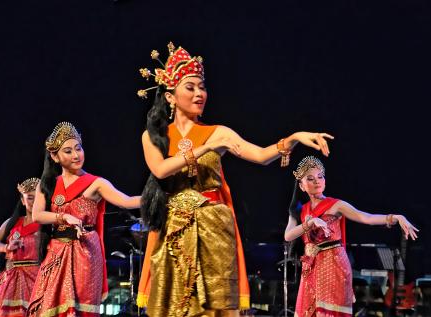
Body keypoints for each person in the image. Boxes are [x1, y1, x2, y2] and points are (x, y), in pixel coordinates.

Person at [136, 42, 334, 317]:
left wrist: (294, 138)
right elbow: (160, 170)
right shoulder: (153, 137)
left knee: (215, 307)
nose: (199, 94)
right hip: (173, 230)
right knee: (174, 306)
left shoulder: (220, 132)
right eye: (190, 87)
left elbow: (261, 156)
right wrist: (204, 148)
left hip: (214, 228)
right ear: (170, 97)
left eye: (202, 87)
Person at [27, 122, 141, 317]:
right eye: (68, 151)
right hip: (57, 252)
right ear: (55, 156)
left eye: (78, 149)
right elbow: (37, 215)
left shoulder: (96, 183)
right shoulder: (47, 184)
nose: (76, 155)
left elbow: (127, 201)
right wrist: (65, 217)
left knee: (81, 308)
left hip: (85, 252)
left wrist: (159, 196)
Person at [284, 156, 419, 316]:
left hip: (333, 264)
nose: (317, 181)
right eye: (311, 178)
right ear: (301, 185)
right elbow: (288, 236)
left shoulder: (336, 205)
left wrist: (395, 217)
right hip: (311, 267)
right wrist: (310, 223)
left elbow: (366, 218)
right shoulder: (299, 210)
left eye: (321, 176)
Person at [0, 177, 41, 317]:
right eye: (30, 198)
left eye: (38, 197)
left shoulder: (48, 225)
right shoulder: (12, 222)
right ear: (22, 200)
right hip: (10, 278)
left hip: (36, 278)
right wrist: (6, 247)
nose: (34, 202)